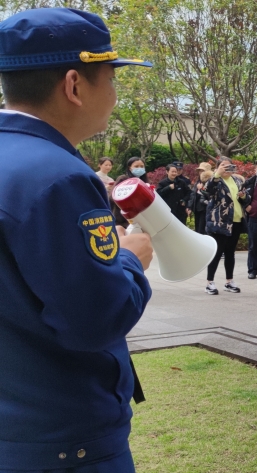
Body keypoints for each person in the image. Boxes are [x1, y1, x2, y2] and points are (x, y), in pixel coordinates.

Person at [0, 8, 155, 471]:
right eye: (110, 76)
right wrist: (130, 259)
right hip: (63, 441)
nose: (114, 93)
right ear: (74, 85)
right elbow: (94, 320)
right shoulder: (58, 176)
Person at [202, 158, 247, 295]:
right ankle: (210, 282)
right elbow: (207, 190)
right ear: (218, 167)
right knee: (216, 252)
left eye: (229, 166)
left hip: (236, 220)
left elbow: (246, 199)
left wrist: (244, 196)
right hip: (220, 222)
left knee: (230, 253)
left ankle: (229, 281)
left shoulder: (237, 180)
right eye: (223, 166)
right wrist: (216, 174)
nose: (227, 169)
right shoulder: (216, 180)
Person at [189, 166, 212, 235]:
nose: (200, 172)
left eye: (202, 170)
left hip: (205, 209)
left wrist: (201, 189)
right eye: (199, 171)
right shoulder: (198, 182)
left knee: (203, 229)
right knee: (198, 228)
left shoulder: (210, 182)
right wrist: (190, 206)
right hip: (197, 208)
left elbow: (210, 195)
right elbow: (193, 195)